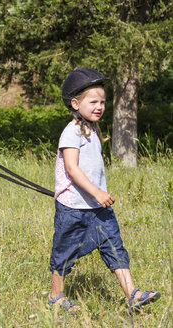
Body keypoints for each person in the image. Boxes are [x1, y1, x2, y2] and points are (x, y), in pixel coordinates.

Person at [47, 68, 160, 312]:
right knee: (64, 252)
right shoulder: (71, 131)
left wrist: (98, 196)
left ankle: (132, 293)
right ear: (75, 103)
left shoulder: (94, 131)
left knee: (114, 245)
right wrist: (97, 192)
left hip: (97, 208)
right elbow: (72, 168)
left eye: (103, 102)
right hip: (73, 207)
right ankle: (56, 296)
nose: (99, 106)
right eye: (93, 101)